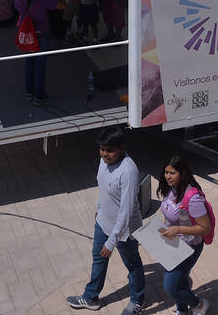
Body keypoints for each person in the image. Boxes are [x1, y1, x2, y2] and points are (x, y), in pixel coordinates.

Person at [66, 125, 147, 313]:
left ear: (121, 148)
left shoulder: (129, 171)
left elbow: (126, 212)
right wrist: (99, 209)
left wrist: (112, 241)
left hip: (125, 231)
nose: (105, 154)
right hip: (103, 224)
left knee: (133, 265)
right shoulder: (103, 162)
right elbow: (103, 187)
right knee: (98, 259)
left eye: (110, 150)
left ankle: (137, 299)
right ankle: (91, 297)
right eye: (102, 149)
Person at [156, 154, 214, 314]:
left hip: (189, 247)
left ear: (182, 173)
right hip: (174, 243)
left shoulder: (193, 198)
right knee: (180, 281)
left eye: (172, 173)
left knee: (171, 286)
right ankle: (182, 311)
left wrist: (177, 230)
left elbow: (205, 227)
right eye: (166, 172)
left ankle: (200, 305)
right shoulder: (170, 188)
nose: (167, 176)